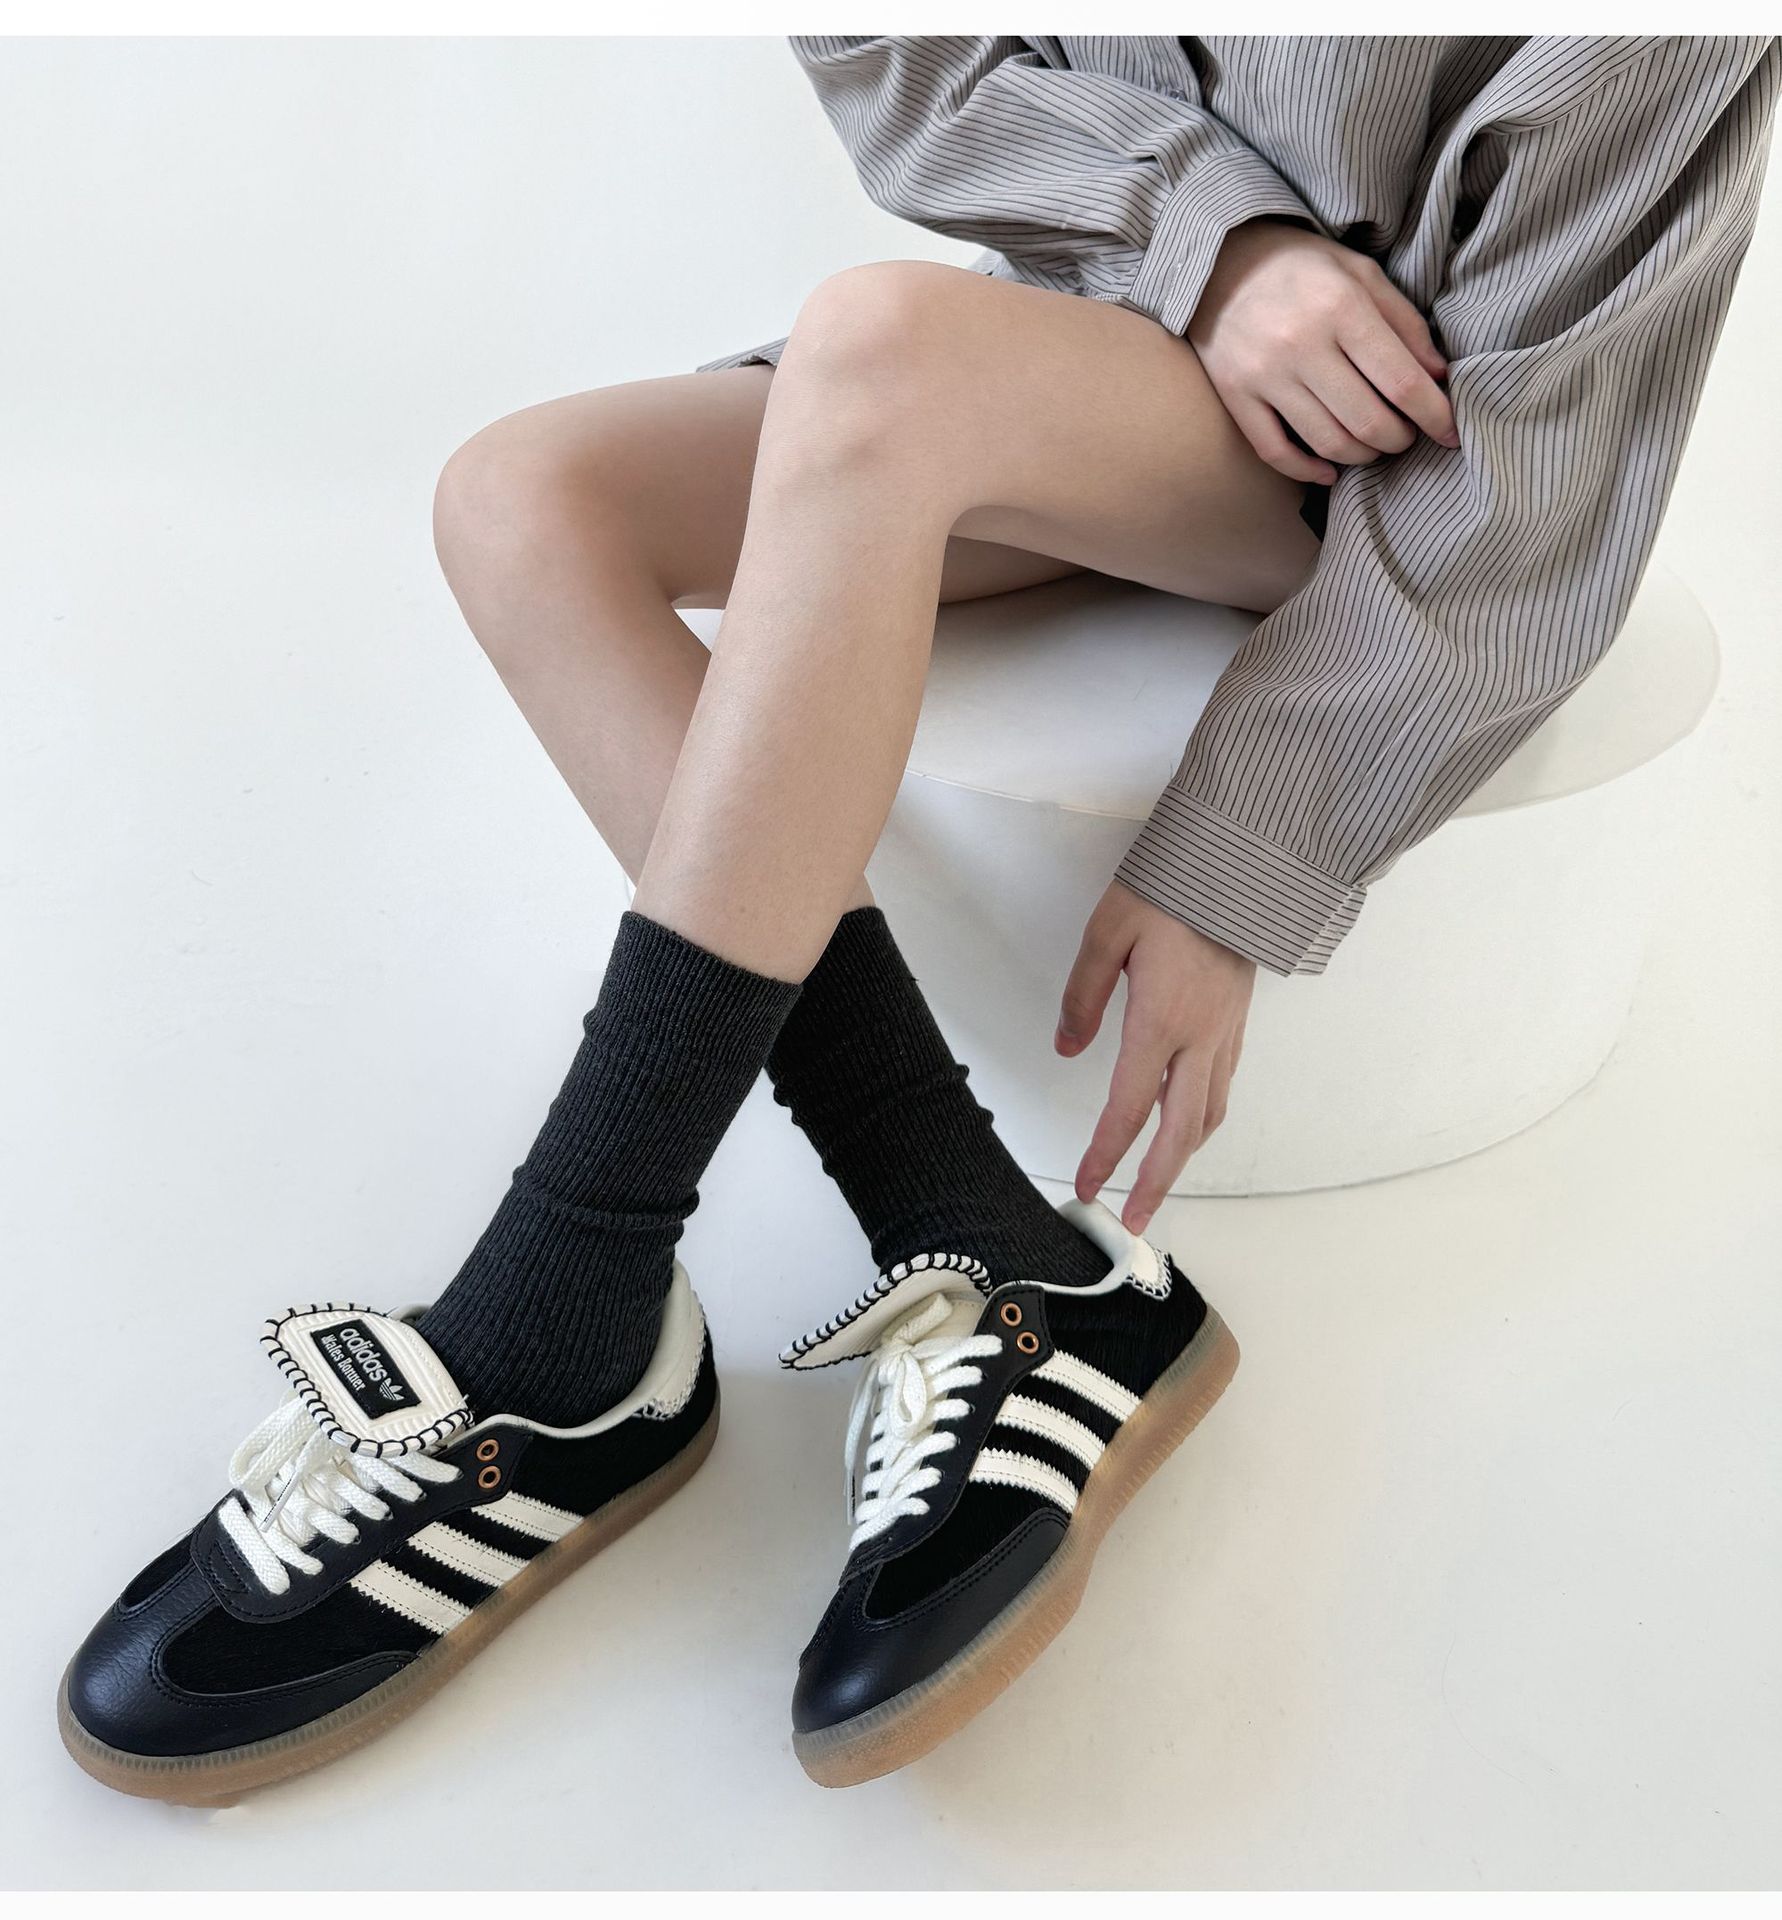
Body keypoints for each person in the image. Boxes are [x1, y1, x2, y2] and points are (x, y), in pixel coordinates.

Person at [60, 34, 1776, 1801]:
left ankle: (550, 1326)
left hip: (1384, 483)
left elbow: (1542, 470)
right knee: (520, 496)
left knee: (883, 346)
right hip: (1065, 341)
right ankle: (972, 1233)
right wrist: (1211, 244)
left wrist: (1242, 856)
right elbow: (897, 42)